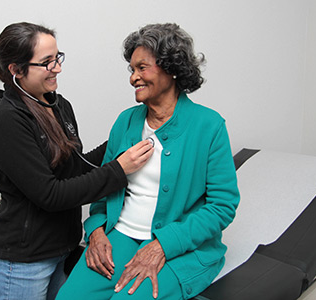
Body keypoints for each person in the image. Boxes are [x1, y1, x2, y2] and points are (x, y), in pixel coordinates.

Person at [56, 23, 240, 300]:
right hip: (119, 236)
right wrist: (95, 231)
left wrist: (162, 246)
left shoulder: (208, 125)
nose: (133, 78)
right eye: (132, 69)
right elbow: (104, 187)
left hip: (177, 247)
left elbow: (222, 206)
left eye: (142, 68)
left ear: (172, 67)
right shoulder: (125, 121)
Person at [0, 22, 154, 300]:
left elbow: (75, 168)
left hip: (63, 250)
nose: (57, 68)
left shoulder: (58, 106)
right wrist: (119, 170)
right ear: (16, 70)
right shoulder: (7, 122)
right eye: (46, 62)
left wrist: (124, 138)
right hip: (25, 262)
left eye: (58, 58)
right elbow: (51, 194)